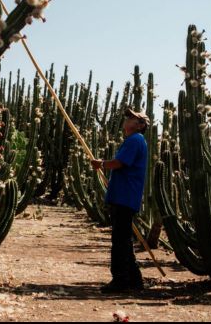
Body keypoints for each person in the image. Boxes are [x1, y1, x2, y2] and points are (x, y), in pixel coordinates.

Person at [90, 107, 150, 293]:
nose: (127, 119)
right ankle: (134, 280)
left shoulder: (135, 140)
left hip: (125, 196)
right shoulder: (134, 140)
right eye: (128, 116)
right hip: (124, 196)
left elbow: (120, 163)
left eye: (132, 117)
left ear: (140, 125)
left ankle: (121, 281)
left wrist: (101, 164)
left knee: (120, 241)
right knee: (123, 240)